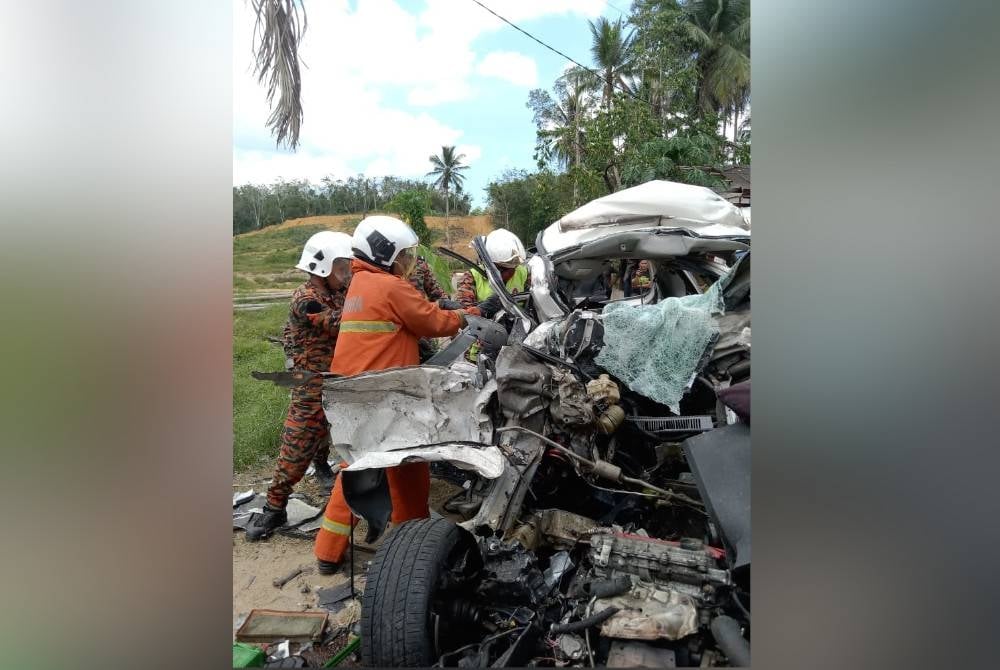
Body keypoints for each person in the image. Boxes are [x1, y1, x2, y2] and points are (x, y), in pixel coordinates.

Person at [313, 215, 480, 574]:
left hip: (356, 395)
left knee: (355, 470)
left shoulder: (360, 285)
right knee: (408, 469)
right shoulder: (390, 286)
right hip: (385, 397)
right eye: (404, 254)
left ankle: (327, 553)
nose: (408, 262)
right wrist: (469, 315)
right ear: (386, 254)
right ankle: (413, 546)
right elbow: (432, 323)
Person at [246, 231, 354, 542]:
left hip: (342, 379)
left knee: (342, 435)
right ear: (322, 268)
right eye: (341, 267)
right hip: (310, 385)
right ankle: (274, 507)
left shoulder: (340, 292)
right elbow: (338, 323)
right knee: (297, 444)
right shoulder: (306, 299)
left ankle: (329, 472)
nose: (345, 273)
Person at [455, 228, 530, 315]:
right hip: (485, 326)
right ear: (488, 264)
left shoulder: (524, 273)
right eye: (500, 269)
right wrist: (483, 308)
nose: (506, 274)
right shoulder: (472, 276)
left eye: (511, 269)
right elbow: (464, 314)